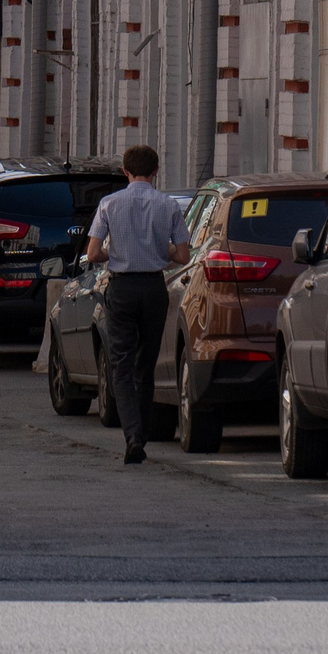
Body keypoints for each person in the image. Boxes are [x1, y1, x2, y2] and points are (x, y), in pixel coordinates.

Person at [84, 144, 191, 464]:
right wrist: (161, 250)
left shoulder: (109, 204)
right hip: (154, 289)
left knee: (121, 364)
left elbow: (93, 253)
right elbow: (183, 255)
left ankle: (132, 435)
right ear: (156, 171)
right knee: (146, 365)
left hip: (122, 289)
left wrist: (115, 253)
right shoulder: (168, 205)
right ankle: (141, 432)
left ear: (125, 171)